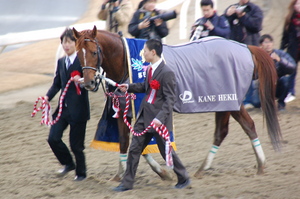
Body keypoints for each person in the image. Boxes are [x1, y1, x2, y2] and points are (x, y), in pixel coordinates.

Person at [113, 39, 190, 192]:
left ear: (153, 52)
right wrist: (127, 87)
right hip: (144, 117)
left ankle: (184, 177)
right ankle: (127, 183)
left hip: (158, 121)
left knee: (166, 151)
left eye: (145, 51)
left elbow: (170, 99)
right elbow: (144, 87)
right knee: (134, 149)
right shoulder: (149, 69)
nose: (144, 53)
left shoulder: (167, 73)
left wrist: (159, 119)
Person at [45, 28, 90, 181]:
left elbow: (92, 83)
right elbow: (57, 83)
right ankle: (68, 164)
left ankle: (81, 173)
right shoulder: (61, 61)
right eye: (64, 42)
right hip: (63, 109)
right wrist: (47, 97)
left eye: (69, 42)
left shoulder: (83, 61)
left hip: (79, 110)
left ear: (76, 43)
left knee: (76, 146)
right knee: (53, 138)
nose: (66, 45)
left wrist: (82, 81)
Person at [224, 0, 263, 109]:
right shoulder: (232, 8)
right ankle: (236, 99)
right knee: (234, 74)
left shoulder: (254, 9)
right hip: (234, 47)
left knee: (248, 73)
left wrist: (243, 16)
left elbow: (257, 26)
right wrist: (227, 15)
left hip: (250, 47)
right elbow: (224, 25)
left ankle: (248, 100)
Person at [259, 34, 296, 110]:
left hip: (278, 83)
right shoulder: (258, 56)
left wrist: (280, 60)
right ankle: (264, 103)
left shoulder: (280, 53)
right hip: (264, 84)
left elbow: (292, 67)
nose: (268, 44)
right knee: (256, 102)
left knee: (285, 80)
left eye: (270, 42)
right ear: (261, 45)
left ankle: (281, 103)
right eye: (265, 42)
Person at [280, 0, 300, 103]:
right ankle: (290, 92)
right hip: (293, 49)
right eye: (297, 3)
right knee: (292, 71)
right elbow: (285, 36)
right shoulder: (289, 19)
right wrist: (281, 49)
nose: (299, 6)